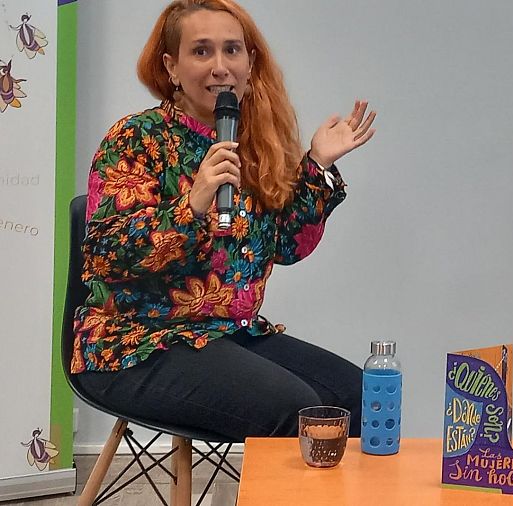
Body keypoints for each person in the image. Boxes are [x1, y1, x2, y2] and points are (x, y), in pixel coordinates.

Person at [70, 0, 376, 441]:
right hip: (136, 343)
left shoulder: (256, 145)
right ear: (172, 67)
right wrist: (191, 205)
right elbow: (105, 256)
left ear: (250, 63)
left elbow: (288, 247)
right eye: (201, 51)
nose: (220, 66)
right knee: (293, 409)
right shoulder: (136, 138)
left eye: (232, 50)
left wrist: (317, 166)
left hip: (231, 333)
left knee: (361, 397)